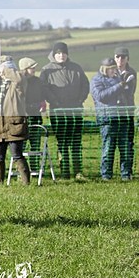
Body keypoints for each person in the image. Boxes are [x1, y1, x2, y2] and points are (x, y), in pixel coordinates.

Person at [39, 42, 89, 180]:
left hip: (76, 110)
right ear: (54, 54)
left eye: (64, 53)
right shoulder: (47, 70)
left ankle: (78, 172)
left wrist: (80, 99)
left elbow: (85, 85)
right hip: (58, 111)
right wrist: (55, 101)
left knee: (76, 142)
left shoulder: (76, 68)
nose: (61, 56)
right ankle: (65, 172)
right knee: (62, 142)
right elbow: (44, 89)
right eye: (59, 53)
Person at [0, 58, 31, 184]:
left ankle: (26, 183)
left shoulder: (17, 83)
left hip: (14, 124)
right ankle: (0, 182)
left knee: (17, 155)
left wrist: (6, 70)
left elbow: (19, 79)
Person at [91, 57, 134, 180]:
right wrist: (119, 86)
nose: (113, 71)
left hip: (122, 117)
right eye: (111, 69)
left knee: (125, 148)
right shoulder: (96, 80)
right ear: (104, 69)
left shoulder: (118, 78)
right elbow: (101, 96)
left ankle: (125, 174)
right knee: (108, 148)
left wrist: (127, 84)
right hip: (107, 119)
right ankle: (106, 174)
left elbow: (126, 94)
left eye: (114, 68)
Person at [19, 57, 45, 171]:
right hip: (22, 118)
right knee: (21, 146)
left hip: (36, 118)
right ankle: (21, 171)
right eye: (31, 67)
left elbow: (41, 96)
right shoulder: (19, 82)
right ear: (25, 69)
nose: (34, 69)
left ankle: (35, 169)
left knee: (35, 145)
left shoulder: (38, 81)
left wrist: (42, 103)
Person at [114, 46, 138, 172]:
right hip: (113, 110)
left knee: (128, 142)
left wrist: (117, 89)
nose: (120, 59)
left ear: (127, 59)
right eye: (117, 56)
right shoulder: (110, 71)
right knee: (111, 142)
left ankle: (127, 171)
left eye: (123, 57)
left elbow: (129, 91)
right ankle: (108, 173)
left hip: (127, 110)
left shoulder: (132, 73)